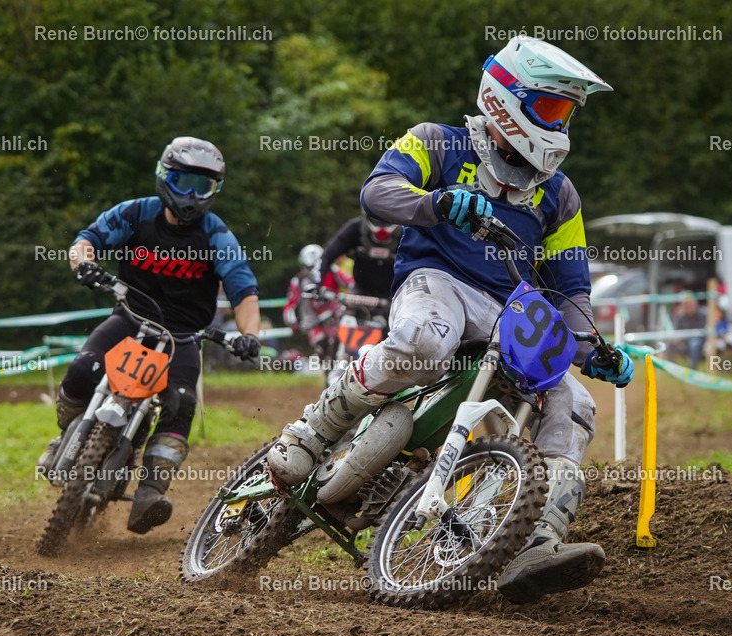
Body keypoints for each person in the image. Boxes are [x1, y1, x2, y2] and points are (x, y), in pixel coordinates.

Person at [266, 36, 633, 604]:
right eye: (550, 108)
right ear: (505, 98)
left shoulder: (558, 195)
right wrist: (436, 203)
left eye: (565, 113)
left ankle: (536, 541)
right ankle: (315, 430)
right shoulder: (437, 141)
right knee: (421, 343)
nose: (559, 125)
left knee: (576, 403)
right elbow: (377, 192)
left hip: (509, 311)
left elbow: (570, 286)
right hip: (435, 282)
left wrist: (592, 346)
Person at [45, 136, 262, 534]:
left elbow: (244, 291)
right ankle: (64, 438)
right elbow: (85, 241)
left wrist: (249, 335)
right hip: (130, 317)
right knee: (82, 368)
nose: (192, 195)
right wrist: (84, 265)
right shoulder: (135, 214)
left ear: (215, 191)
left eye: (203, 186)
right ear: (164, 177)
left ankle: (149, 492)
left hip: (183, 335)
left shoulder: (217, 237)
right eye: (183, 182)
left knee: (180, 403)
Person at [316, 214, 402, 300]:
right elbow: (327, 256)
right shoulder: (356, 228)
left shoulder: (406, 230)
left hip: (398, 294)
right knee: (346, 313)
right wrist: (316, 284)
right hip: (360, 293)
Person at [283, 244, 343, 360]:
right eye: (311, 267)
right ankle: (326, 371)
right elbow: (289, 306)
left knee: (344, 345)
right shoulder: (298, 281)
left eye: (318, 266)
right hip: (314, 324)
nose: (315, 271)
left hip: (337, 320)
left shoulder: (334, 272)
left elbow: (352, 283)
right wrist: (293, 323)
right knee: (322, 347)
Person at [671, 294, 706, 369]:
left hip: (699, 342)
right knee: (670, 344)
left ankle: (692, 369)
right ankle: (672, 368)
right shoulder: (681, 317)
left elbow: (702, 333)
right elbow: (677, 331)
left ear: (696, 305)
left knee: (694, 344)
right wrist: (677, 339)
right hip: (684, 341)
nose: (688, 308)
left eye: (690, 305)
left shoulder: (702, 316)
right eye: (686, 306)